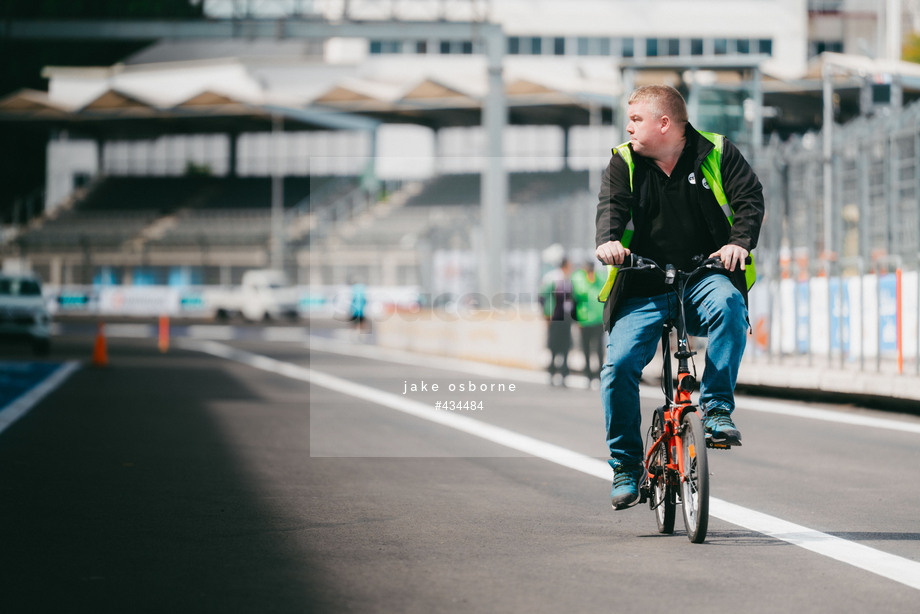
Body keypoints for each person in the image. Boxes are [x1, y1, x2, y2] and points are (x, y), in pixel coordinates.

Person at [595, 85, 764, 509]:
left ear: (664, 123)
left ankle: (718, 409)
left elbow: (749, 200)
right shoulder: (624, 162)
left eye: (636, 119)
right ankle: (625, 465)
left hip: (703, 273)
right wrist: (609, 242)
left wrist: (739, 242)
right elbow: (610, 209)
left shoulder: (717, 152)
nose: (628, 127)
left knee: (729, 306)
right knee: (618, 367)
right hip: (643, 284)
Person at [539, 257, 576, 387]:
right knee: (554, 346)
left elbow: (574, 298)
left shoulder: (570, 279)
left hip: (566, 318)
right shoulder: (552, 278)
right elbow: (543, 296)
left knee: (566, 346)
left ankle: (564, 375)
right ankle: (552, 372)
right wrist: (546, 314)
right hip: (555, 317)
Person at [571, 260, 606, 384]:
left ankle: (600, 374)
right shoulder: (577, 278)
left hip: (598, 319)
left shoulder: (600, 277)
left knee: (599, 349)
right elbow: (575, 300)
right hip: (584, 319)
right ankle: (588, 375)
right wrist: (576, 320)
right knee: (585, 347)